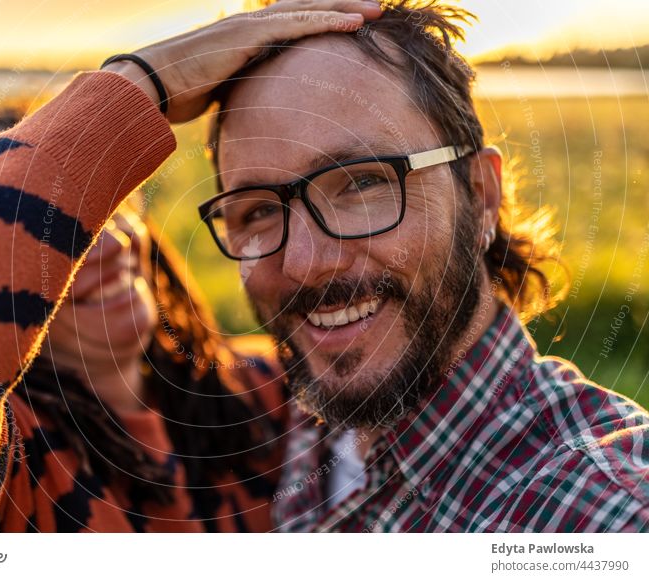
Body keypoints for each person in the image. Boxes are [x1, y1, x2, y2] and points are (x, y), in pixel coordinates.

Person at [198, 0, 649, 532]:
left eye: (363, 183)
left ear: (480, 194)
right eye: (258, 211)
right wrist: (135, 83)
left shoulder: (598, 517)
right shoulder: (313, 414)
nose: (302, 264)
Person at [0, 109, 290, 532]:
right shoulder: (5, 470)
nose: (112, 244)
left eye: (110, 208)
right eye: (49, 241)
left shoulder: (269, 390)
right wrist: (144, 80)